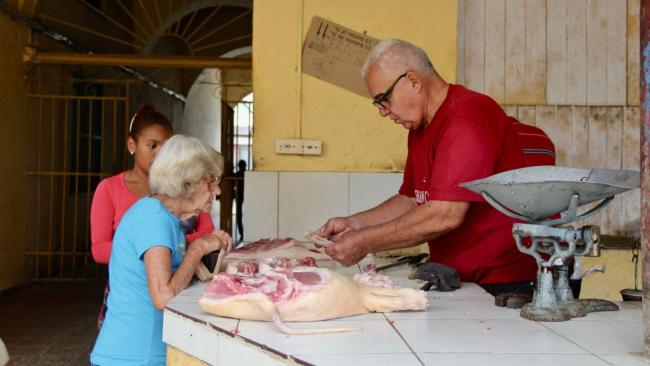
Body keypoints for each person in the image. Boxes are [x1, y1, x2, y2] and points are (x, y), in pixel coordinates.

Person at [317, 39, 556, 296]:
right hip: (464, 279)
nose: (383, 112)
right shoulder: (421, 127)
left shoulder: (466, 117)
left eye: (384, 99)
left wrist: (364, 242)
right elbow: (411, 199)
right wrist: (355, 224)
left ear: (413, 80)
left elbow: (445, 214)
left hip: (507, 282)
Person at [90, 135, 233, 366]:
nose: (217, 191)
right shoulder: (153, 219)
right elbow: (164, 296)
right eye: (211, 181)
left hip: (144, 354)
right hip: (131, 357)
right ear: (187, 182)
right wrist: (197, 248)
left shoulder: (166, 217)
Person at [90, 104, 215, 329]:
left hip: (178, 282)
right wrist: (163, 250)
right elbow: (99, 249)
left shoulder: (178, 193)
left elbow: (206, 230)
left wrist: (173, 249)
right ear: (132, 145)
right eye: (152, 145)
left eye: (166, 148)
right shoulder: (118, 193)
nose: (159, 154)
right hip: (133, 291)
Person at [233, 159, 246, 242]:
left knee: (239, 216)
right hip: (245, 196)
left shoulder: (237, 174)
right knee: (243, 216)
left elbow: (233, 185)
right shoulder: (247, 174)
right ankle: (243, 234)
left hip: (239, 196)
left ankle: (242, 234)